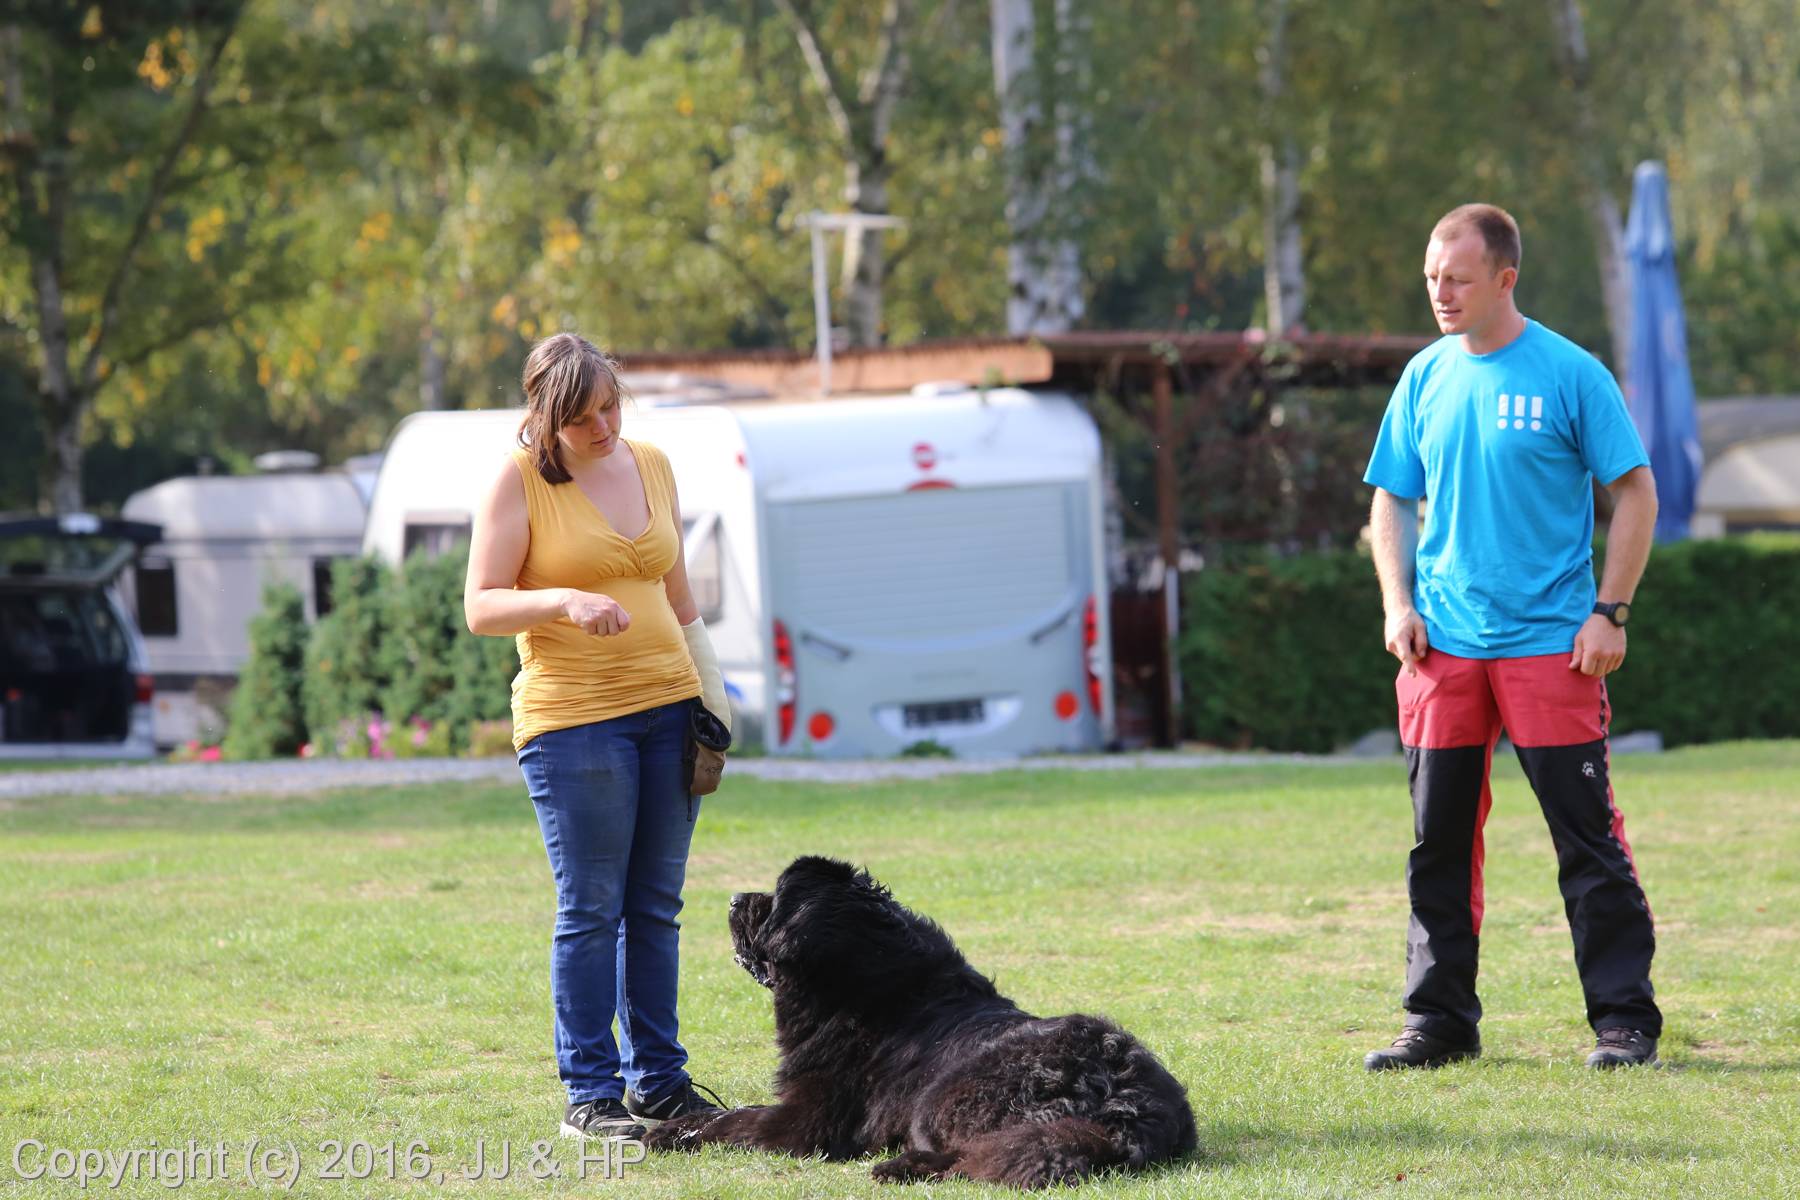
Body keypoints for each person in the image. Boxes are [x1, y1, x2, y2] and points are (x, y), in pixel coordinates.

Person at [1362, 203, 1663, 1071]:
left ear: (1505, 279)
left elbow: (1635, 493)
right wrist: (1397, 603)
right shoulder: (1423, 377)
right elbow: (1391, 497)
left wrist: (1609, 612)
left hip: (1551, 648)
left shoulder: (1571, 374)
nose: (1440, 293)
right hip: (1442, 650)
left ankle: (1624, 1022)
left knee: (1587, 840)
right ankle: (1438, 1024)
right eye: (1431, 277)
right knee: (1438, 845)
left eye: (1457, 278)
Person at [465, 332, 733, 1138]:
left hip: (670, 710)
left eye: (611, 407)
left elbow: (679, 598)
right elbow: (481, 605)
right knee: (591, 908)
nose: (604, 428)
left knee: (655, 907)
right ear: (545, 417)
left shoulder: (651, 464)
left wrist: (714, 696)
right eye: (582, 419)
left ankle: (662, 1085)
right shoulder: (518, 480)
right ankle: (589, 1094)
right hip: (575, 722)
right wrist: (563, 600)